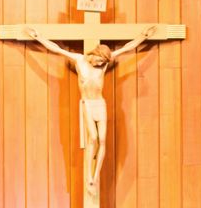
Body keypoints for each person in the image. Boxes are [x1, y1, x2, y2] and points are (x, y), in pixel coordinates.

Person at [25, 25, 156, 194]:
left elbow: (126, 48)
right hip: (87, 104)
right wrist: (38, 37)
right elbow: (56, 49)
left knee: (102, 140)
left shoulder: (103, 66)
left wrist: (143, 36)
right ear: (94, 54)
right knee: (92, 138)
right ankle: (88, 176)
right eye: (99, 60)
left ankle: (95, 176)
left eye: (103, 63)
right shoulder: (79, 60)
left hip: (100, 104)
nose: (100, 64)